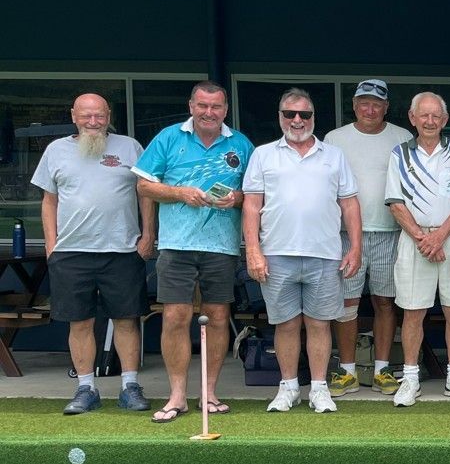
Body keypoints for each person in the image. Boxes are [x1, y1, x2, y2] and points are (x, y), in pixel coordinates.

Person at [133, 81, 255, 424]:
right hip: (176, 245)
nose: (208, 112)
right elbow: (143, 185)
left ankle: (209, 392)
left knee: (217, 316)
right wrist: (180, 193)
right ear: (191, 106)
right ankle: (177, 395)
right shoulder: (169, 138)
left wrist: (237, 198)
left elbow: (255, 193)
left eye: (216, 107)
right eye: (202, 105)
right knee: (175, 316)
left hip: (222, 246)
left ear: (225, 110)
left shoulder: (241, 144)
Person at [33, 94, 156, 415]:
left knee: (127, 320)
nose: (93, 122)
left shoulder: (130, 147)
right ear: (73, 116)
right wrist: (51, 244)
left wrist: (148, 235)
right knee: (79, 323)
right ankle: (86, 388)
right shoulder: (55, 150)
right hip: (71, 252)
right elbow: (49, 201)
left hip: (123, 250)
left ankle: (130, 387)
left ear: (108, 116)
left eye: (99, 115)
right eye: (86, 115)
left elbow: (145, 194)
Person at [242, 89, 362, 413]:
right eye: (290, 114)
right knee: (285, 324)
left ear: (313, 117)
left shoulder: (334, 155)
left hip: (325, 253)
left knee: (320, 323)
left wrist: (355, 248)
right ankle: (289, 387)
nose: (297, 120)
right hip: (276, 253)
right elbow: (251, 206)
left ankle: (319, 388)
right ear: (280, 117)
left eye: (304, 114)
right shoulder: (263, 155)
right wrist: (253, 251)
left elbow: (350, 204)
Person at [385, 92, 450, 407]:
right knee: (413, 311)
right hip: (415, 240)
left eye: (436, 115)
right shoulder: (399, 154)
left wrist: (438, 236)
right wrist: (424, 238)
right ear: (412, 118)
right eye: (423, 115)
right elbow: (395, 204)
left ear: (445, 119)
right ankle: (410, 378)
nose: (429, 121)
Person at [322, 78, 413, 398]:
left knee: (385, 302)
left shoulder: (403, 137)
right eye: (364, 103)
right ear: (354, 105)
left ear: (386, 107)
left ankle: (381, 370)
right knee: (347, 304)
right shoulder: (335, 139)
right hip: (346, 234)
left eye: (376, 104)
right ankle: (347, 372)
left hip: (391, 232)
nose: (370, 109)